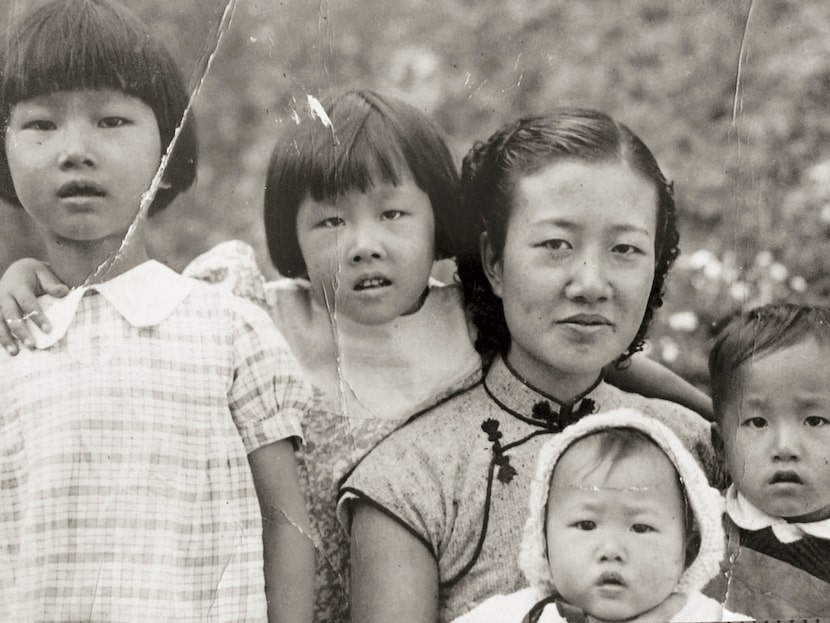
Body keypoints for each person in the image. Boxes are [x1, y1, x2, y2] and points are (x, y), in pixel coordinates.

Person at [0, 92, 713, 620]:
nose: (364, 243)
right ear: (294, 236)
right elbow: (150, 321)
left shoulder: (462, 314)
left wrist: (704, 407)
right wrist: (47, 284)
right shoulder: (253, 312)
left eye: (393, 215)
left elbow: (598, 354)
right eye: (331, 221)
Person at [338, 108, 718, 622]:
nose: (590, 282)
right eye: (555, 245)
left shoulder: (699, 452)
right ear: (494, 261)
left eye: (625, 249)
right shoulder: (410, 480)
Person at [0, 1, 313, 621]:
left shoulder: (228, 329)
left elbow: (286, 527)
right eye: (40, 123)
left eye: (111, 120)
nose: (75, 150)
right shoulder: (9, 341)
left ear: (167, 152)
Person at [452, 410, 750, 623]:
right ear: (543, 541)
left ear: (688, 551)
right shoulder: (510, 615)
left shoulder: (708, 616)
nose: (611, 550)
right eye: (586, 525)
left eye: (641, 527)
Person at [705, 303, 830, 619]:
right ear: (721, 446)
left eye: (815, 421)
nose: (785, 447)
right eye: (757, 422)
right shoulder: (698, 535)